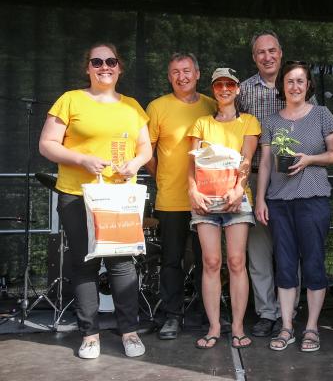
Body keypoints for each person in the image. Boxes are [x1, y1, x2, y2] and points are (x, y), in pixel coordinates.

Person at [39, 42, 152, 359]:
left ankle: (128, 332)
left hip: (118, 198)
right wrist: (81, 159)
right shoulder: (70, 100)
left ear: (120, 68)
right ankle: (90, 335)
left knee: (122, 264)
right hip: (77, 195)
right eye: (97, 61)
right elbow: (47, 145)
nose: (105, 66)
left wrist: (136, 163)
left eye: (111, 61)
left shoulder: (132, 106)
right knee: (84, 264)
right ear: (87, 67)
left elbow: (145, 148)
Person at [255, 61, 333, 352]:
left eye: (300, 81)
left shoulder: (321, 114)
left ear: (308, 86)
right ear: (282, 86)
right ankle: (287, 327)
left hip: (313, 200)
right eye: (289, 81)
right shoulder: (271, 121)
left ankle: (312, 328)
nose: (295, 86)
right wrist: (260, 199)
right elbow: (266, 162)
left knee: (314, 263)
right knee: (286, 266)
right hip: (279, 202)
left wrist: (309, 159)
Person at [238, 31, 316, 337]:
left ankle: (290, 309)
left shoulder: (299, 86)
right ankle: (266, 312)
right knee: (258, 251)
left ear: (281, 53)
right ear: (254, 57)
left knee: (290, 249)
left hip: (293, 176)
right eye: (261, 52)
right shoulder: (243, 91)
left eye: (272, 51)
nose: (267, 57)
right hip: (256, 174)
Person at [145, 53, 216, 339]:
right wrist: (162, 175)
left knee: (207, 261)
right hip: (171, 199)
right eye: (175, 71)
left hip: (208, 200)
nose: (182, 76)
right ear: (169, 76)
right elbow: (145, 152)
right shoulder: (157, 107)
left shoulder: (212, 106)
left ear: (198, 74)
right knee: (171, 260)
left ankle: (204, 314)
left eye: (187, 71)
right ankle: (172, 316)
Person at [188, 68, 260, 349]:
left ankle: (239, 327)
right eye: (219, 84)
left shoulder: (249, 122)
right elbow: (192, 164)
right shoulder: (201, 123)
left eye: (230, 83)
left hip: (236, 199)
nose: (225, 89)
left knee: (236, 262)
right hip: (205, 201)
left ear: (238, 88)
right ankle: (215, 327)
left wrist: (239, 189)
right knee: (211, 263)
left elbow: (247, 159)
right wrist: (193, 190)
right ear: (213, 89)